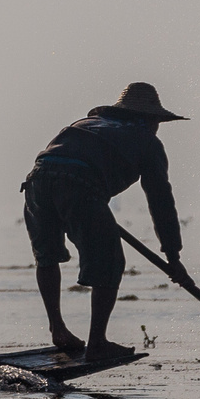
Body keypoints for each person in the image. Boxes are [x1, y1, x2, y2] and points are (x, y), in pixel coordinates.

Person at [21, 82, 188, 361]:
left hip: (37, 181)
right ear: (150, 120)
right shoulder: (147, 141)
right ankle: (97, 343)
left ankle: (58, 328)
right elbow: (161, 201)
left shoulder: (84, 124)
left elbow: (60, 161)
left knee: (46, 256)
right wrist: (173, 255)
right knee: (109, 260)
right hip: (79, 186)